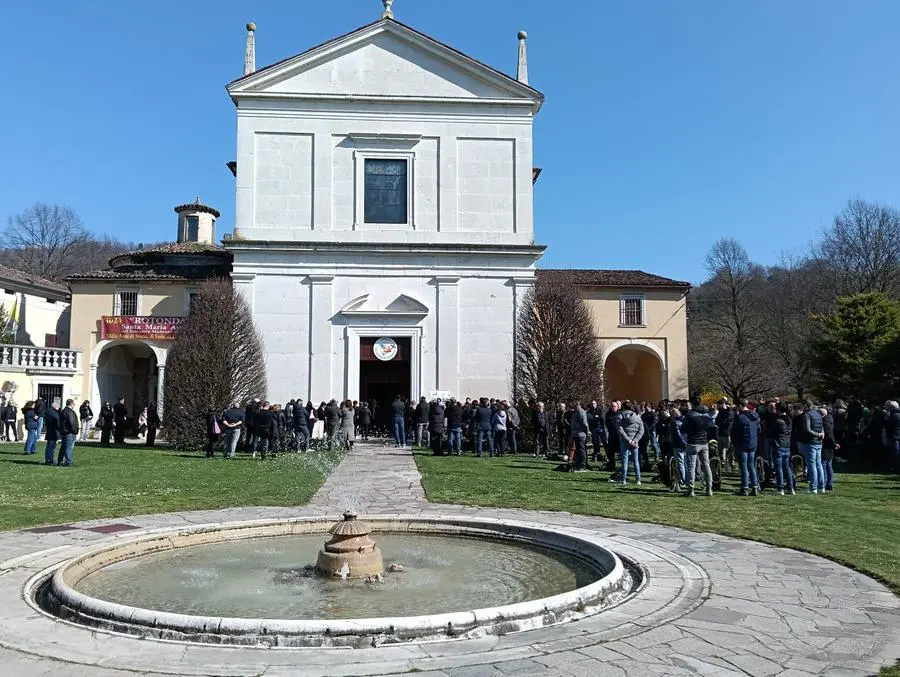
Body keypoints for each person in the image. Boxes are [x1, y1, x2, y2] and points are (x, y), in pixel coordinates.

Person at [683, 395, 713, 497]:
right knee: (706, 465)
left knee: (691, 466)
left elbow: (684, 428)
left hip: (693, 442)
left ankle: (690, 489)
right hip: (704, 442)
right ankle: (709, 488)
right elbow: (710, 426)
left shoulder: (690, 415)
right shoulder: (706, 414)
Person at [731, 399, 761, 496]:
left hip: (742, 444)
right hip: (752, 443)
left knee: (743, 466)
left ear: (740, 406)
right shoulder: (755, 417)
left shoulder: (740, 418)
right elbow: (758, 430)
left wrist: (735, 443)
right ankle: (755, 486)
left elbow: (734, 432)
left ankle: (745, 487)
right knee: (751, 465)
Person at [799, 400, 825, 494]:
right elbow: (822, 427)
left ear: (806, 405)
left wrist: (818, 434)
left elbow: (807, 429)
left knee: (812, 465)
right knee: (819, 464)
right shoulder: (818, 414)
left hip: (810, 442)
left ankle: (813, 487)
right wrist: (821, 434)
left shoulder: (807, 415)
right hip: (819, 443)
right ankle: (821, 487)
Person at [616, 401, 644, 485]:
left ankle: (623, 479)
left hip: (625, 441)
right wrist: (635, 440)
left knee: (625, 460)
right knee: (636, 461)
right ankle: (638, 479)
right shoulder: (637, 417)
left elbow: (620, 429)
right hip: (635, 442)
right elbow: (641, 430)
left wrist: (628, 440)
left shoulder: (620, 416)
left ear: (623, 407)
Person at [773, 402, 795, 495]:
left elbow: (771, 432)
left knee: (779, 468)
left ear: (778, 410)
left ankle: (780, 488)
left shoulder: (778, 421)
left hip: (779, 445)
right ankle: (790, 487)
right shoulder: (789, 419)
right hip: (787, 445)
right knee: (787, 467)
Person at [820, 406, 838, 492]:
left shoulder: (825, 422)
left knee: (824, 463)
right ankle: (829, 483)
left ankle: (825, 482)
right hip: (830, 445)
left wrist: (833, 444)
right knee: (829, 464)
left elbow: (828, 435)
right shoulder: (830, 419)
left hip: (826, 445)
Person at [58, 400, 79, 466]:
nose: (74, 405)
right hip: (69, 432)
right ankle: (68, 461)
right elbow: (72, 422)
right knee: (68, 447)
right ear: (71, 404)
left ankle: (60, 461)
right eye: (74, 404)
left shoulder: (63, 411)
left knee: (63, 447)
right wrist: (74, 431)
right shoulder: (70, 412)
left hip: (64, 432)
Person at [569, 401, 589, 471]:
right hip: (576, 434)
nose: (573, 407)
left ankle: (582, 465)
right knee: (579, 450)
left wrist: (587, 432)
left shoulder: (581, 412)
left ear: (579, 405)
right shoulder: (576, 412)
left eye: (575, 406)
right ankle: (578, 464)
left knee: (581, 450)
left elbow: (584, 423)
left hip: (580, 434)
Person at [715, 399, 735, 471]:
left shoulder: (730, 412)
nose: (719, 406)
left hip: (728, 433)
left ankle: (731, 462)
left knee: (729, 449)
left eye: (721, 405)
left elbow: (728, 421)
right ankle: (723, 462)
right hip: (721, 432)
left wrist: (727, 409)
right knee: (721, 449)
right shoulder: (720, 412)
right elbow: (717, 422)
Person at [44, 401, 61, 466]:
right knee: (52, 447)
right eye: (58, 407)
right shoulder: (54, 413)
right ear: (56, 407)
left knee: (48, 446)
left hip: (50, 431)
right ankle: (50, 460)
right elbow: (57, 423)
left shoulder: (48, 411)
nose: (59, 408)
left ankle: (47, 459)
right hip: (54, 432)